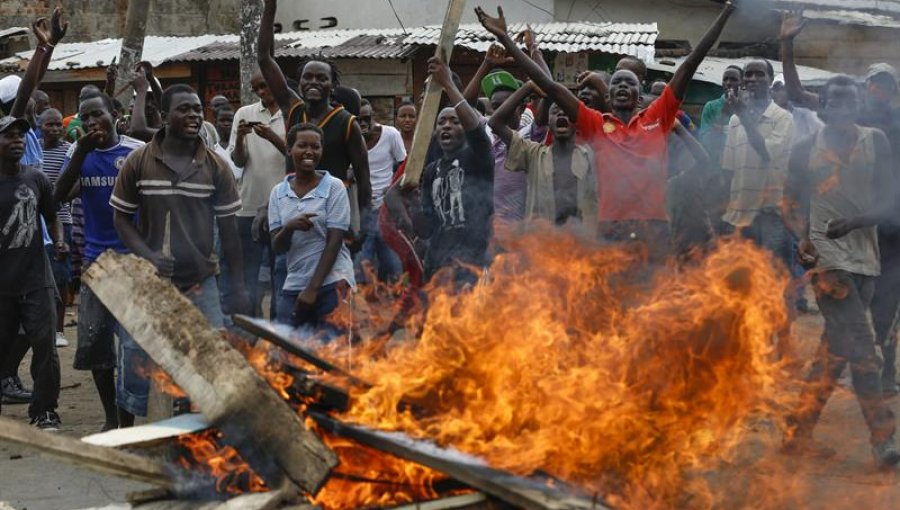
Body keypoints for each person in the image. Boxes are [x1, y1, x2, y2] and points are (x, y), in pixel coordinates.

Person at [476, 2, 735, 260]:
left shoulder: (657, 117)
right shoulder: (596, 124)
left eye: (629, 83)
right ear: (608, 95)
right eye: (617, 83)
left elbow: (690, 64)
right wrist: (505, 38)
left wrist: (727, 12)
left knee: (655, 296)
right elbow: (550, 86)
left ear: (638, 95)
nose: (622, 86)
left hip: (654, 227)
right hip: (611, 229)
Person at [110, 84, 251, 419]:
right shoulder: (138, 161)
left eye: (197, 109)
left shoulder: (216, 167)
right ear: (163, 115)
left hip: (201, 280)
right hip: (151, 280)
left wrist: (239, 286)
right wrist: (148, 254)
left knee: (209, 355)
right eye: (184, 109)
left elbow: (230, 233)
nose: (194, 115)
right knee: (134, 354)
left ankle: (200, 427)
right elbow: (121, 219)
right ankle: (129, 427)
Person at [782, 75, 900, 468]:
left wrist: (855, 222)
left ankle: (796, 432)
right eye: (836, 103)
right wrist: (802, 238)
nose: (844, 110)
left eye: (851, 103)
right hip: (827, 259)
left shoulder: (875, 141)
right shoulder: (805, 149)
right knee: (866, 351)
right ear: (823, 108)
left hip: (866, 256)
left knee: (832, 353)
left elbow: (889, 201)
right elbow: (789, 202)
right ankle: (883, 438)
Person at [54, 93, 143, 431]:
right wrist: (80, 154)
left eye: (97, 116)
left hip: (134, 264)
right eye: (85, 118)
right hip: (96, 263)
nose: (91, 124)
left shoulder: (134, 152)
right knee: (96, 344)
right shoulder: (79, 154)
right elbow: (59, 195)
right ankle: (110, 418)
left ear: (115, 114)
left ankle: (128, 421)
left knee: (133, 347)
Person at [411, 55, 494, 283]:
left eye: (455, 122)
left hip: (474, 264)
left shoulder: (478, 158)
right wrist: (410, 202)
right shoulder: (431, 171)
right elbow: (426, 229)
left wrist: (447, 82)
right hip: (439, 265)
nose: (447, 126)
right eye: (442, 122)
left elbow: (476, 130)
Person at [269, 123, 355, 331]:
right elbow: (277, 247)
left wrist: (312, 289)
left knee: (333, 354)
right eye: (302, 145)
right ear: (289, 149)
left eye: (315, 147)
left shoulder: (334, 187)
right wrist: (288, 228)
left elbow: (334, 242)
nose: (309, 151)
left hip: (333, 282)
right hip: (295, 282)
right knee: (287, 351)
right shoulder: (278, 193)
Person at [488, 82, 597, 230]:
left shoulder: (589, 155)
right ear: (548, 121)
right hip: (541, 243)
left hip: (580, 243)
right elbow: (495, 123)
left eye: (567, 111)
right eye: (555, 111)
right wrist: (527, 88)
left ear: (576, 121)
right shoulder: (534, 154)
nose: (561, 113)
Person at [721, 59, 794, 269]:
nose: (753, 79)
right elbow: (728, 169)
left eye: (759, 74)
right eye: (749, 74)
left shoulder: (783, 118)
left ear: (770, 80)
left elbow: (765, 153)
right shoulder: (735, 121)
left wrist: (743, 116)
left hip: (769, 215)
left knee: (773, 281)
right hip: (739, 216)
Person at [227, 72, 286, 316]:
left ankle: (277, 328)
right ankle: (251, 330)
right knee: (248, 275)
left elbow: (296, 155)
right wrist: (241, 138)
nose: (262, 92)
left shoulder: (293, 111)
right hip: (249, 206)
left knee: (279, 275)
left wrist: (271, 137)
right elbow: (238, 161)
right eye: (257, 89)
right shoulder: (244, 114)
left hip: (283, 210)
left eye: (265, 86)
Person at [357, 99, 404, 282]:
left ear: (373, 118)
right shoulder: (350, 138)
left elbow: (405, 166)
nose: (362, 124)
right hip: (361, 210)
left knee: (392, 264)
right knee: (362, 266)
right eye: (358, 120)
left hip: (385, 209)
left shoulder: (390, 134)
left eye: (366, 119)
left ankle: (398, 305)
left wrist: (393, 189)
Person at [38, 108, 73, 347]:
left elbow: (71, 182)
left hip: (60, 218)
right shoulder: (33, 148)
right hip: (36, 222)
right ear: (39, 125)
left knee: (60, 277)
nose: (54, 129)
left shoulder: (67, 151)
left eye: (58, 125)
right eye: (49, 124)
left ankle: (59, 330)